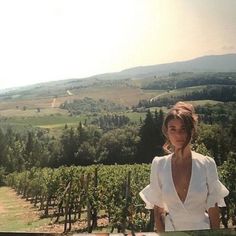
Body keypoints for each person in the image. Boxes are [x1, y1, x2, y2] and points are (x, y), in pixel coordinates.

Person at [139, 101, 229, 232]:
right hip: (172, 232)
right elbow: (158, 213)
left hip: (202, 232)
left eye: (183, 129)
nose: (178, 135)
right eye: (173, 129)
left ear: (191, 130)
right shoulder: (159, 164)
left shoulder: (207, 164)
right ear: (167, 132)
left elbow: (213, 210)